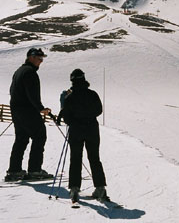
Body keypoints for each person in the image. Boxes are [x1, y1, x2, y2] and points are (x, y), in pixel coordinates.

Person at [58, 69, 108, 202]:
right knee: (94, 158)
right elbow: (99, 110)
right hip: (92, 128)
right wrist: (88, 116)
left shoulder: (70, 97)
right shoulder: (92, 94)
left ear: (72, 80)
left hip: (76, 130)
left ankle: (74, 189)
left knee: (75, 158)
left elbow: (66, 117)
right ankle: (100, 188)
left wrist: (75, 120)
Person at [5, 48, 53, 182]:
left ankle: (14, 171)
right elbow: (32, 94)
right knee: (39, 136)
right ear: (31, 57)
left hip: (17, 110)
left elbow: (12, 90)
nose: (41, 61)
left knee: (21, 139)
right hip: (28, 111)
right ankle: (34, 170)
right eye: (39, 58)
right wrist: (40, 108)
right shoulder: (30, 72)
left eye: (42, 59)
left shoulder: (19, 71)